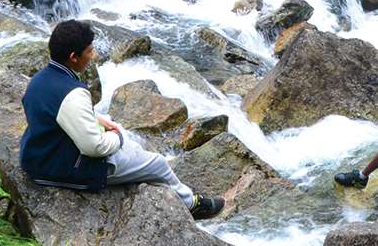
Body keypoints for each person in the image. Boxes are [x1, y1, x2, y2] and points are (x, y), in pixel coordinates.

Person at [18, 20, 224, 219]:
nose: (93, 55)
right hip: (64, 168)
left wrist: (96, 118)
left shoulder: (39, 79)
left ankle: (168, 183)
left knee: (132, 143)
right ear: (73, 57)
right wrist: (118, 138)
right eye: (89, 51)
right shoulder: (73, 93)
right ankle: (192, 205)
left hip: (37, 156)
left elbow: (58, 112)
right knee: (157, 163)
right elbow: (94, 148)